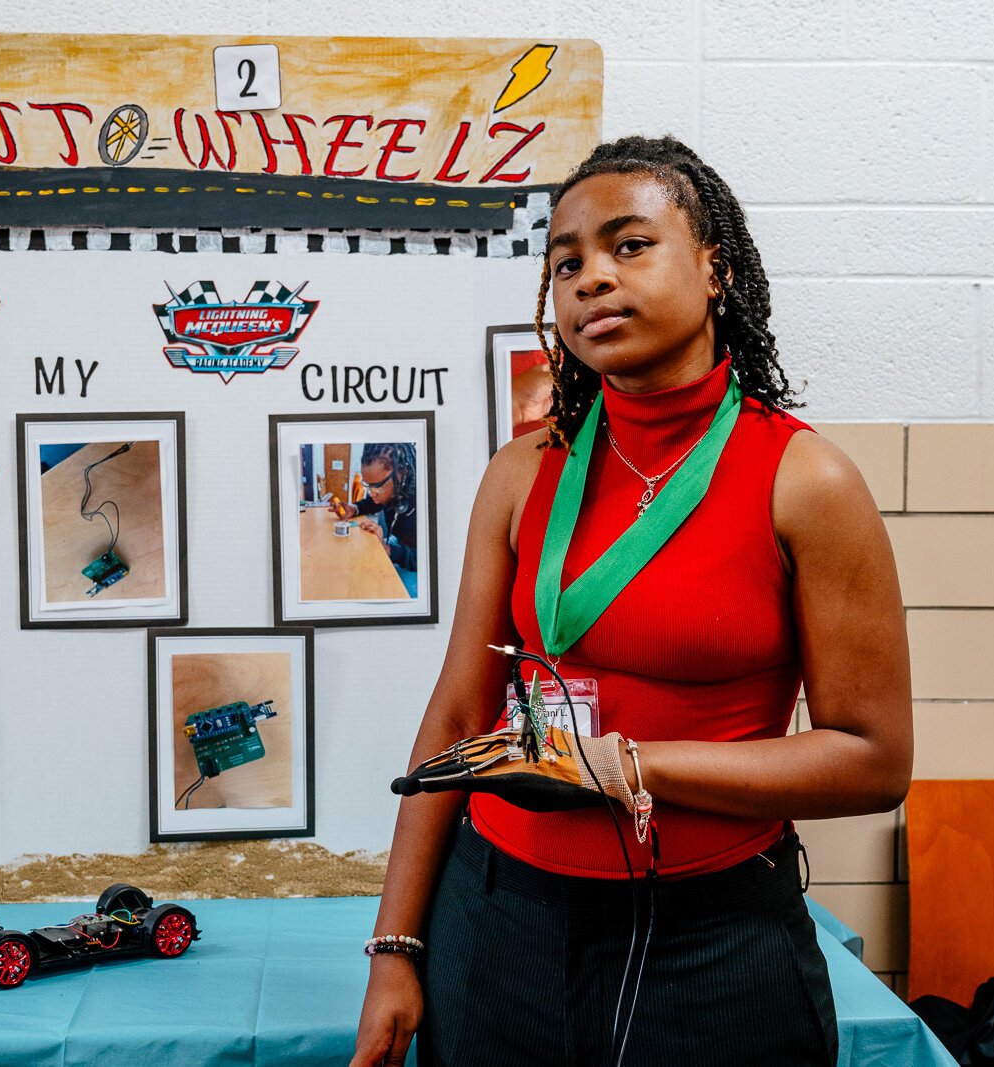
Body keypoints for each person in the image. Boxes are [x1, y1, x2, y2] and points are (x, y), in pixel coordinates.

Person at [351, 135, 912, 1066]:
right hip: (496, 918)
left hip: (711, 938)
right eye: (566, 262)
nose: (589, 279)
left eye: (628, 246)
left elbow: (872, 760)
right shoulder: (523, 471)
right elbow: (459, 710)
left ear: (714, 267)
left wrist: (632, 764)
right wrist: (396, 947)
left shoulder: (804, 479)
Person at [334, 442, 419, 576]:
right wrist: (355, 509)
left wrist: (388, 550)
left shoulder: (426, 501)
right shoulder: (390, 490)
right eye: (368, 485)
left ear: (401, 474)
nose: (372, 493)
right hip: (398, 545)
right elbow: (373, 502)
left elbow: (430, 558)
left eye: (377, 486)